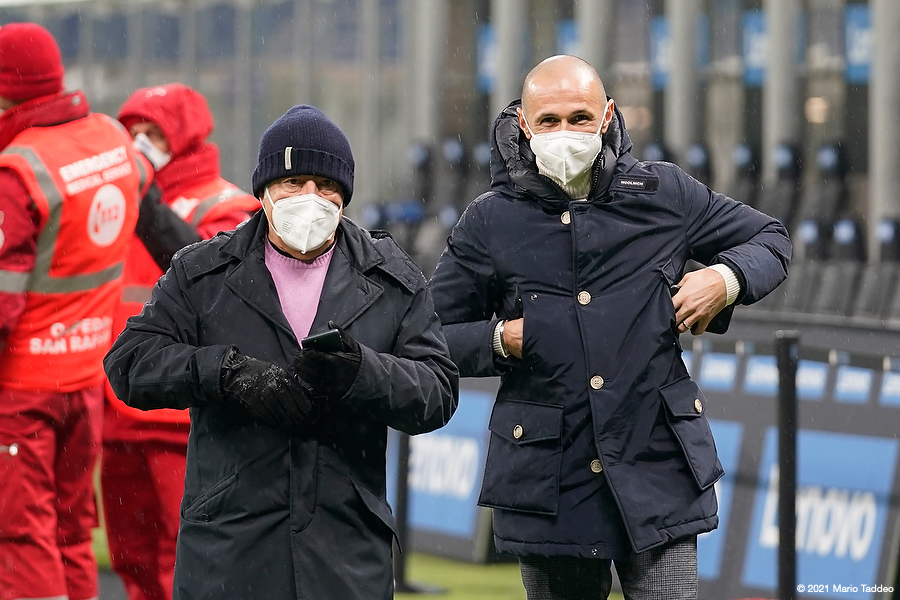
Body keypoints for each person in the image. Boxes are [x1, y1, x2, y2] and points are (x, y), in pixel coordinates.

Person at [428, 55, 791, 599]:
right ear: (524, 124)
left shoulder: (665, 193)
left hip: (658, 469)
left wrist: (725, 277)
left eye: (580, 117)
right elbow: (431, 335)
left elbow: (770, 238)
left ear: (608, 115)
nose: (566, 132)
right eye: (549, 120)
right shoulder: (489, 219)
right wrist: (499, 339)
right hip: (550, 484)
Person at [103, 104, 459, 600]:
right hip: (229, 553)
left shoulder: (391, 278)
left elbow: (437, 391)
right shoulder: (203, 272)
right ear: (265, 190)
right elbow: (129, 363)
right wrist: (226, 373)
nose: (310, 197)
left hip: (345, 555)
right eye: (294, 182)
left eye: (325, 185)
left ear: (344, 195)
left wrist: (361, 372)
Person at [0, 23, 150, 600]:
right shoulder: (112, 139)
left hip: (22, 391)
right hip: (85, 380)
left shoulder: (18, 171)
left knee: (20, 535)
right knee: (70, 530)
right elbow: (144, 188)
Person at [101, 83, 260, 600]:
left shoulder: (226, 204)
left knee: (188, 556)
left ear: (185, 139)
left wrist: (147, 204)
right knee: (131, 557)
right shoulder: (115, 200)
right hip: (119, 411)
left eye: (155, 133)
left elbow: (219, 289)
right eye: (133, 131)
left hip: (182, 418)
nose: (140, 143)